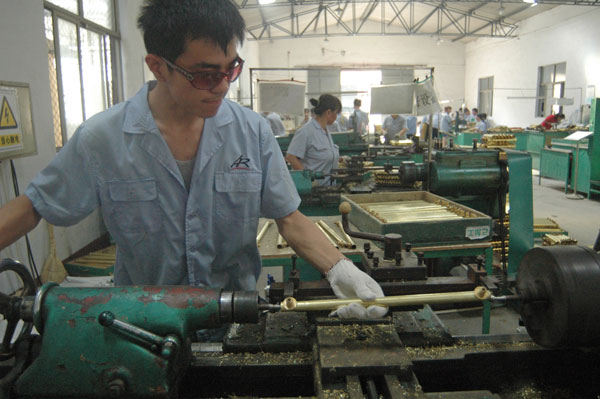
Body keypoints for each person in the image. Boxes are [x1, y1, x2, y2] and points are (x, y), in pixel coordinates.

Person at [0, 0, 385, 320]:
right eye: (204, 75)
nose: (222, 86)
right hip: (142, 323)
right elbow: (34, 206)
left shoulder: (251, 133)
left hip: (234, 316)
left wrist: (339, 268)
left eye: (231, 69)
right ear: (158, 66)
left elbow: (289, 218)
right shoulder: (103, 139)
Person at [285, 95, 341, 187]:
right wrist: (309, 180)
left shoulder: (325, 130)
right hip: (314, 190)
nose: (336, 117)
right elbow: (291, 157)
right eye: (336, 113)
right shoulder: (306, 131)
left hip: (328, 188)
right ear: (329, 112)